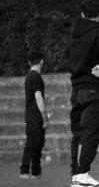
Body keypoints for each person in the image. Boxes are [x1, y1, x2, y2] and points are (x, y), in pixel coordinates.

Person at [66, 0, 99, 187]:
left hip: (77, 89)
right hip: (94, 88)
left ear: (82, 14)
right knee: (91, 132)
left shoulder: (75, 34)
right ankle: (82, 175)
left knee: (78, 133)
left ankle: (76, 176)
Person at [20, 50, 49, 179]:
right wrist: (44, 116)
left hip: (32, 116)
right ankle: (24, 171)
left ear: (29, 62)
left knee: (38, 144)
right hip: (35, 117)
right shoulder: (36, 77)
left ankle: (36, 172)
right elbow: (38, 97)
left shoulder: (29, 77)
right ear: (41, 62)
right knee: (32, 144)